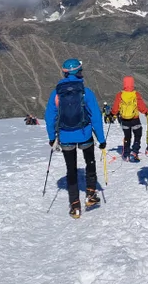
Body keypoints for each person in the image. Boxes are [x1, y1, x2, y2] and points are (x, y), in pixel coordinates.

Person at [44, 58, 106, 218]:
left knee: (71, 170)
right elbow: (96, 117)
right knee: (89, 163)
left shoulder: (57, 93)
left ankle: (75, 206)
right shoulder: (86, 91)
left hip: (65, 136)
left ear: (65, 73)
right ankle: (91, 194)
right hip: (84, 133)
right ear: (79, 72)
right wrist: (101, 139)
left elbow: (49, 116)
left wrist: (52, 138)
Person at [110, 76, 148, 161]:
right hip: (135, 119)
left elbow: (115, 108)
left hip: (124, 120)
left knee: (127, 137)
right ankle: (135, 151)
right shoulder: (136, 94)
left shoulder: (120, 95)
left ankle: (126, 154)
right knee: (137, 135)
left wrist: (112, 114)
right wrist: (146, 112)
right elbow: (141, 106)